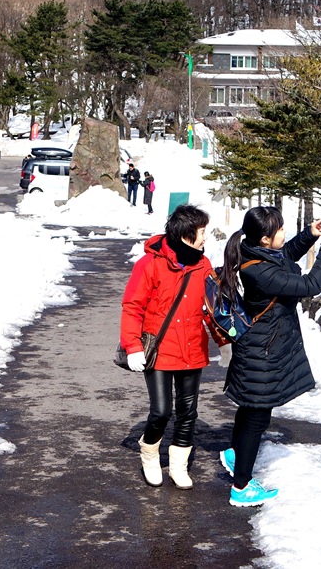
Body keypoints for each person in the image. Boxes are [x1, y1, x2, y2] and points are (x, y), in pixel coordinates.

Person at [216, 206, 321, 507]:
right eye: (279, 230)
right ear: (264, 239)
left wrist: (309, 235)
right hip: (263, 352)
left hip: (261, 346)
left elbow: (285, 255)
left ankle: (236, 455)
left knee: (252, 409)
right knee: (257, 416)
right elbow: (311, 285)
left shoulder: (256, 253)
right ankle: (242, 487)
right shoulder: (258, 270)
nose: (284, 234)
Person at [119, 204, 221, 489]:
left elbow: (211, 309)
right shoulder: (150, 264)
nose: (205, 238)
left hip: (192, 349)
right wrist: (132, 346)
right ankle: (150, 452)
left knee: (188, 412)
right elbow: (132, 307)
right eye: (202, 232)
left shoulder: (203, 265)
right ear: (186, 234)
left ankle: (178, 464)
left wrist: (222, 343)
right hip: (160, 349)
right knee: (161, 411)